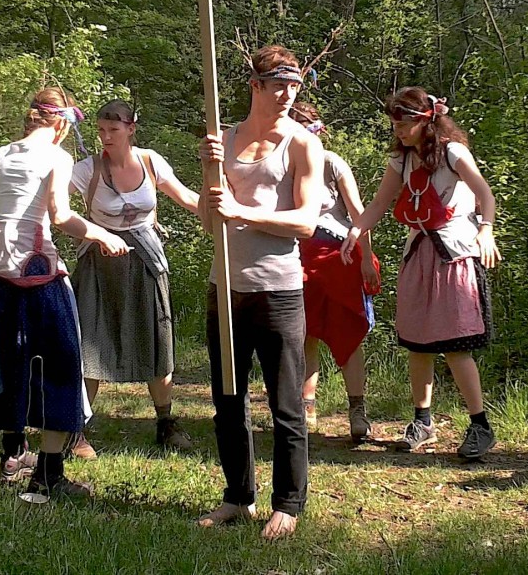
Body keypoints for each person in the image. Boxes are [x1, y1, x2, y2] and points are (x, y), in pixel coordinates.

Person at [0, 87, 129, 499]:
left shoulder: (1, 155)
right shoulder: (57, 157)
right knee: (59, 363)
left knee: (7, 358)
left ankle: (12, 453)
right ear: (63, 123)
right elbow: (60, 215)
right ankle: (48, 475)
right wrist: (102, 234)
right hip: (37, 273)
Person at [197, 45, 324, 540]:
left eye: (294, 86)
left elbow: (307, 222)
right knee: (227, 398)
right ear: (255, 86)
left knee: (285, 402)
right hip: (225, 287)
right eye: (279, 85)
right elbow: (212, 222)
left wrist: (243, 212)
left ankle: (288, 503)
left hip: (278, 290)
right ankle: (237, 496)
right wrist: (212, 178)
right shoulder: (222, 141)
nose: (288, 94)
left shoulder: (300, 144)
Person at [341, 87, 502, 460]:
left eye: (405, 122)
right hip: (419, 255)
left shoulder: (452, 152)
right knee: (418, 343)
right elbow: (380, 203)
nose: (398, 129)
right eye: (394, 123)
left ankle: (480, 425)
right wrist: (356, 230)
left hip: (455, 256)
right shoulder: (402, 159)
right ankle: (423, 421)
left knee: (455, 345)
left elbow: (485, 193)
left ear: (425, 120)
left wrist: (487, 228)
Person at [67, 100, 201, 458]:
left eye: (113, 130)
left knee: (157, 338)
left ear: (131, 128)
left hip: (145, 261)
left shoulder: (150, 161)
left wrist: (224, 211)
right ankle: (77, 429)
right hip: (99, 263)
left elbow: (186, 197)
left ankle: (166, 422)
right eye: (100, 130)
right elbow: (54, 207)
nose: (105, 137)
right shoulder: (86, 169)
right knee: (91, 340)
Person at [288, 102, 381, 443]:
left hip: (338, 255)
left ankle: (357, 412)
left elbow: (360, 214)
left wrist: (366, 258)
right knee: (304, 334)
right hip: (299, 255)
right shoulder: (285, 163)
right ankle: (306, 407)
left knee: (348, 334)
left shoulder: (331, 162)